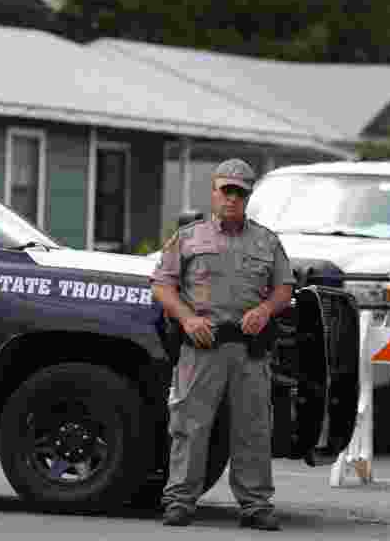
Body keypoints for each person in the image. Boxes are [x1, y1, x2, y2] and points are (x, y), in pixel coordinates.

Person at [150, 158, 294, 531]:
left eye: (239, 193)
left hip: (249, 350)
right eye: (225, 191)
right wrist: (186, 318)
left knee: (253, 428)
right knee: (189, 426)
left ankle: (256, 505)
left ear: (247, 197)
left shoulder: (266, 241)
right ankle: (180, 501)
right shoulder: (188, 237)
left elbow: (284, 288)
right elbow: (162, 284)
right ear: (213, 193)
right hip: (202, 347)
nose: (231, 199)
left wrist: (266, 309)